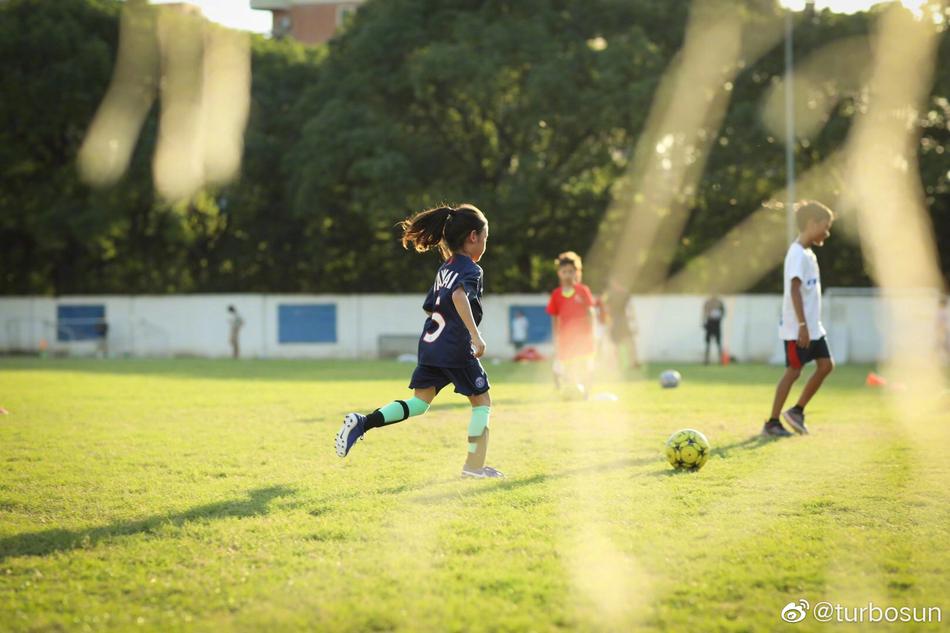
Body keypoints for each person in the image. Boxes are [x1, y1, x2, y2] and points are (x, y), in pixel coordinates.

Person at [335, 204, 503, 479]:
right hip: (455, 348)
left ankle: (363, 423)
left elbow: (430, 307)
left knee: (418, 404)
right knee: (482, 401)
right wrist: (475, 335)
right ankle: (474, 467)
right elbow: (459, 297)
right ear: (473, 236)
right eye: (485, 238)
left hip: (430, 346)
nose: (485, 244)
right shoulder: (471, 270)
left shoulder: (445, 269)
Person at [762, 200, 836, 437]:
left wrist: (811, 326)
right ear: (811, 223)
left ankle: (796, 411)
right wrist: (802, 326)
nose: (827, 232)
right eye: (825, 226)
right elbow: (794, 290)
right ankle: (772, 422)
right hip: (798, 329)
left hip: (814, 328)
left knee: (826, 366)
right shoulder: (796, 254)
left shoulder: (809, 254)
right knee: (793, 371)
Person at [546, 251, 597, 397]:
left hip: (584, 338)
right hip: (566, 338)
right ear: (559, 273)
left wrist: (592, 333)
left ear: (577, 272)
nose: (568, 274)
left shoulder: (583, 291)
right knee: (568, 367)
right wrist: (556, 337)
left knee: (586, 366)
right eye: (564, 271)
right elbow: (554, 317)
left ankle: (586, 392)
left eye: (571, 271)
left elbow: (591, 313)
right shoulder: (556, 294)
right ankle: (569, 390)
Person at [602, 279, 639, 372]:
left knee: (629, 343)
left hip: (624, 321)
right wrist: (608, 324)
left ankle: (633, 363)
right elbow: (607, 309)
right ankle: (617, 364)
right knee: (616, 345)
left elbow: (630, 309)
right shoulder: (609, 295)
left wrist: (633, 322)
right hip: (615, 322)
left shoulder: (625, 294)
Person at [702, 295, 726, 365]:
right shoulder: (708, 303)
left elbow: (723, 313)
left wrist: (719, 318)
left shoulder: (719, 303)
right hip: (709, 324)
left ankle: (721, 360)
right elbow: (704, 313)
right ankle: (706, 360)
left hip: (717, 325)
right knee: (708, 344)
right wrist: (704, 322)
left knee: (718, 344)